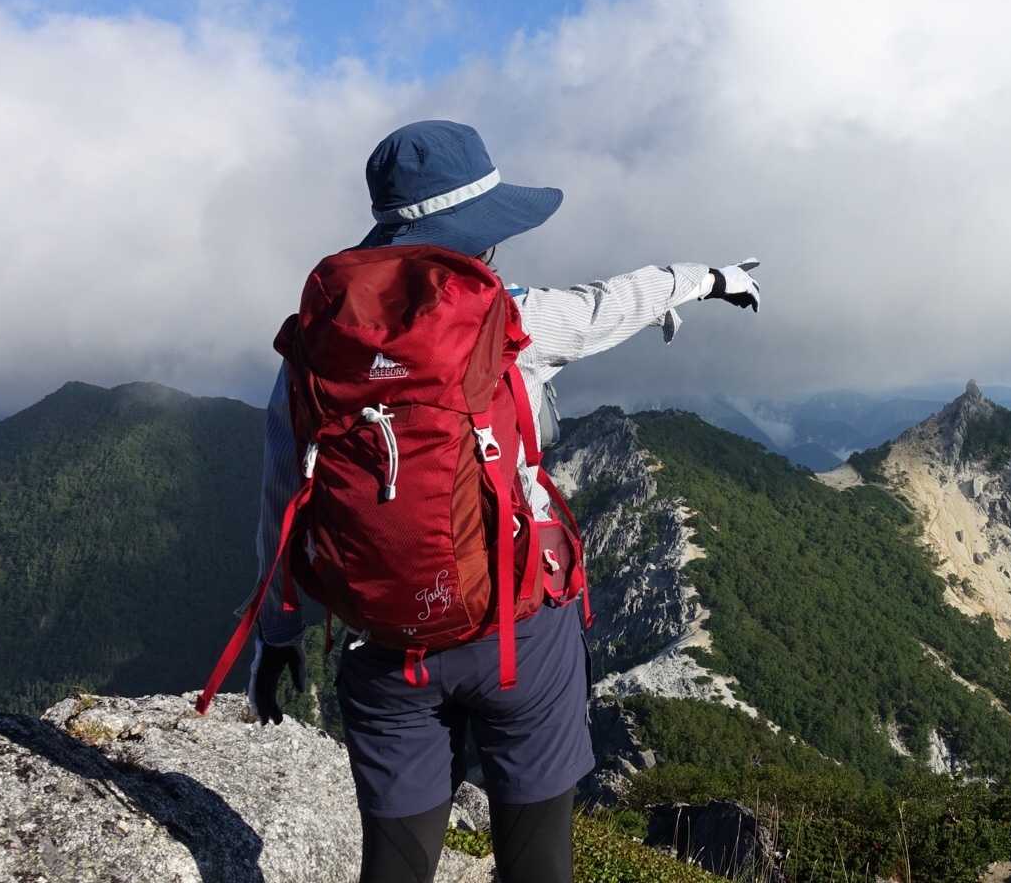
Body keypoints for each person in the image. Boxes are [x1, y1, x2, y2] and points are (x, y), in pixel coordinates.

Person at [244, 120, 761, 883]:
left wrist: (276, 632)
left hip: (387, 643)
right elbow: (610, 302)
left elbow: (284, 497)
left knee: (395, 865)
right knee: (537, 862)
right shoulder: (513, 316)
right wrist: (710, 279)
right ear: (478, 237)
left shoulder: (321, 348)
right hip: (519, 633)